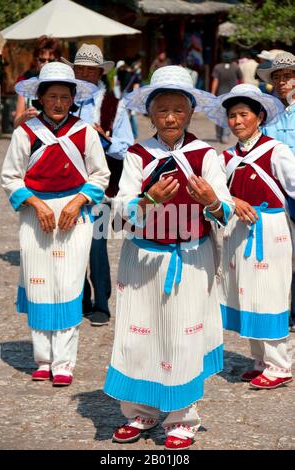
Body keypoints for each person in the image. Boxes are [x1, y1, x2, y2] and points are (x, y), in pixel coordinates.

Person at [103, 66, 235, 449]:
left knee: (183, 337)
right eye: (163, 110)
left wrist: (210, 200)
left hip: (190, 258)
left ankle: (181, 418)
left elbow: (225, 209)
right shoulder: (137, 155)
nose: (172, 117)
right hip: (142, 259)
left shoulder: (205, 155)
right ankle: (140, 411)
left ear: (191, 111)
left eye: (179, 109)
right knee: (138, 335)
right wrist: (147, 200)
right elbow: (117, 215)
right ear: (151, 114)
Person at [1, 62, 110, 386]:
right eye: (52, 97)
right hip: (36, 216)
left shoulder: (84, 132)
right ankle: (42, 358)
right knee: (39, 283)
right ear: (41, 99)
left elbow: (100, 175)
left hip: (75, 217)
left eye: (65, 96)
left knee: (69, 283)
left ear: (73, 98)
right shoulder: (26, 133)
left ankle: (63, 361)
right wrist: (36, 204)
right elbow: (10, 176)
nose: (59, 103)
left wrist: (78, 202)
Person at [208, 83, 294, 389]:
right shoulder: (226, 157)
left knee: (268, 294)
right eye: (232, 115)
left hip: (269, 233)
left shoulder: (277, 151)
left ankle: (280, 365)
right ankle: (260, 361)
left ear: (259, 116)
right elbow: (215, 191)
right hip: (238, 231)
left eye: (244, 114)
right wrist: (233, 202)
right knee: (247, 293)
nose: (237, 121)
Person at [62, 44, 134, 326]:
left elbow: (127, 149)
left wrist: (103, 137)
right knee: (70, 243)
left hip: (101, 185)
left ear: (99, 72)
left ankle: (101, 302)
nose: (84, 74)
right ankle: (79, 298)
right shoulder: (65, 101)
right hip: (66, 184)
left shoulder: (114, 107)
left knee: (96, 244)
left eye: (89, 70)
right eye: (79, 69)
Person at [257, 52, 295, 332]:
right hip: (273, 195)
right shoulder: (268, 114)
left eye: (288, 76)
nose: (282, 83)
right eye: (277, 78)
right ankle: (279, 309)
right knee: (278, 256)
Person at [14, 36, 62, 128]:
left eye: (51, 60)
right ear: (36, 61)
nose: (46, 64)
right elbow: (16, 124)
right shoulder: (26, 85)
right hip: (33, 138)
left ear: (58, 60)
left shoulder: (67, 85)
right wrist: (25, 115)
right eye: (42, 60)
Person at [211, 51, 243, 144]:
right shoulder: (236, 67)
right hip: (232, 96)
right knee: (229, 115)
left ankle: (218, 135)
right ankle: (225, 136)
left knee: (219, 115)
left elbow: (215, 81)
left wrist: (213, 93)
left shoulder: (217, 67)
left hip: (220, 95)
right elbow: (241, 79)